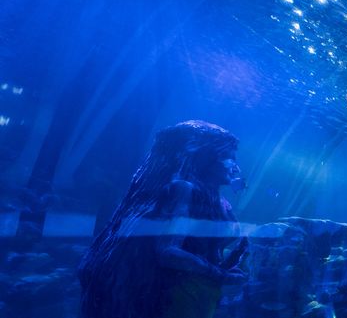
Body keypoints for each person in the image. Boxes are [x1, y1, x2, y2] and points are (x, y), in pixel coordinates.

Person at [78, 120, 249, 318]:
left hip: (203, 295)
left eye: (234, 158)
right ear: (201, 154)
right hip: (174, 295)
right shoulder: (183, 190)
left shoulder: (221, 202)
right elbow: (168, 251)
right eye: (226, 156)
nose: (234, 166)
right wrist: (219, 274)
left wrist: (231, 265)